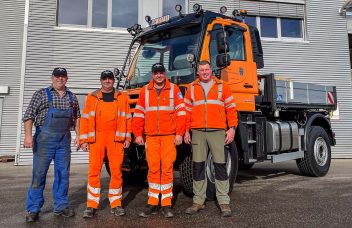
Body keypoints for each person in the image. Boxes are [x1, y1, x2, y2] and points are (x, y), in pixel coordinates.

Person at [23, 67, 80, 222]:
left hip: (64, 141)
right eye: (57, 76)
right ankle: (33, 209)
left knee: (62, 174)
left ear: (67, 78)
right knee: (39, 174)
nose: (60, 79)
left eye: (63, 76)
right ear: (52, 78)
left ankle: (61, 206)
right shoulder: (41, 94)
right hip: (44, 140)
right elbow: (28, 116)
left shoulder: (72, 97)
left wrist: (79, 136)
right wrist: (28, 136)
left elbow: (76, 118)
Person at [183, 60, 238, 217]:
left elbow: (231, 109)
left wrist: (232, 129)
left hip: (217, 131)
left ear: (211, 71)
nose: (205, 72)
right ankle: (198, 201)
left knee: (220, 166)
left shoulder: (222, 86)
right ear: (198, 72)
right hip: (198, 132)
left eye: (207, 69)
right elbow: (186, 111)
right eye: (202, 70)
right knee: (198, 166)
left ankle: (224, 202)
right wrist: (186, 131)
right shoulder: (191, 88)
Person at [132, 63, 186, 218]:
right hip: (151, 137)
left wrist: (179, 134)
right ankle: (153, 202)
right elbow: (139, 115)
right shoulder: (145, 91)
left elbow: (181, 113)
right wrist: (138, 134)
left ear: (165, 73)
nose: (159, 75)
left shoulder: (174, 89)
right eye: (156, 72)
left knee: (167, 169)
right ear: (152, 74)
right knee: (153, 169)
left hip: (169, 136)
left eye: (161, 72)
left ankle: (166, 204)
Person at [80, 70, 132, 218]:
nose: (107, 81)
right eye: (105, 79)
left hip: (116, 139)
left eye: (110, 79)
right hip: (97, 139)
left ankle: (116, 204)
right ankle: (91, 205)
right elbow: (85, 119)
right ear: (100, 80)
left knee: (116, 172)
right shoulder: (92, 97)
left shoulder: (122, 97)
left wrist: (127, 138)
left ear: (113, 81)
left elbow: (128, 118)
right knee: (94, 172)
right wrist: (84, 140)